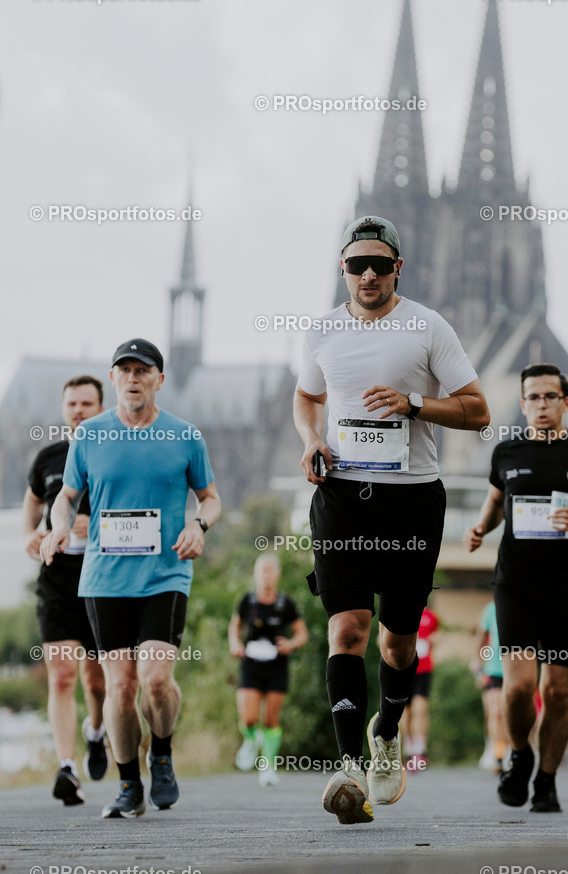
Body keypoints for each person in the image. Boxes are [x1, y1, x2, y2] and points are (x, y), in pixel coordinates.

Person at [294, 215, 489, 824]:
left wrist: (414, 403)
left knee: (398, 641)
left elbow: (478, 411)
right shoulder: (322, 330)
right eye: (357, 266)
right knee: (347, 628)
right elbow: (307, 397)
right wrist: (311, 438)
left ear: (398, 267)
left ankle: (386, 729)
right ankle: (350, 768)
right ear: (343, 269)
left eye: (380, 265)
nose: (369, 275)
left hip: (411, 499)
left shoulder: (428, 326)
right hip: (341, 496)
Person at [41, 338, 220, 819]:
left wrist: (198, 526)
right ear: (113, 378)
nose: (133, 378)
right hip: (105, 578)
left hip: (165, 574)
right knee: (120, 686)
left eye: (143, 370)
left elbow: (210, 497)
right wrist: (59, 528)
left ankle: (160, 752)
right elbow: (66, 497)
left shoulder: (184, 435)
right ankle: (128, 786)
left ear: (159, 379)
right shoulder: (90, 435)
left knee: (156, 681)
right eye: (125, 370)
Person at [464, 362, 568, 813]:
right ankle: (520, 754)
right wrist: (481, 527)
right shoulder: (506, 452)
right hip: (514, 583)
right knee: (517, 687)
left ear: (565, 402)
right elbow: (497, 500)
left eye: (550, 396)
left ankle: (547, 781)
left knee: (557, 690)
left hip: (564, 588)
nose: (542, 404)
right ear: (523, 404)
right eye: (533, 397)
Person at [23, 375, 108, 806]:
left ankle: (96, 730)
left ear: (101, 408)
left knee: (97, 679)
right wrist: (31, 536)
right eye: (72, 403)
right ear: (63, 409)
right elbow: (33, 503)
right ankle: (67, 768)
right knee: (61, 674)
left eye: (86, 403)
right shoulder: (49, 457)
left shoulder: (115, 453)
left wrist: (97, 526)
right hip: (57, 576)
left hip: (103, 576)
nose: (78, 410)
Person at [228, 554, 309, 786]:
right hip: (251, 664)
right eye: (262, 570)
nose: (266, 575)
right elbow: (234, 626)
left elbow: (302, 633)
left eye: (270, 570)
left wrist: (291, 644)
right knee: (249, 718)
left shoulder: (285, 603)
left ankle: (268, 767)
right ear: (255, 574)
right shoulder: (247, 601)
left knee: (271, 720)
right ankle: (253, 739)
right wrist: (235, 644)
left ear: (277, 574)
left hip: (277, 666)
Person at [471, 600, 508, 774]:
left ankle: (511, 749)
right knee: (495, 712)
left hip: (517, 669)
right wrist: (477, 664)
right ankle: (499, 754)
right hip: (494, 669)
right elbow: (480, 637)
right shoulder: (491, 609)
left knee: (510, 713)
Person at [400, 604, 439, 772]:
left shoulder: (431, 616)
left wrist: (434, 640)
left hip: (424, 669)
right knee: (405, 711)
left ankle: (420, 750)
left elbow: (437, 636)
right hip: (402, 669)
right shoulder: (400, 612)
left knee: (420, 708)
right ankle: (408, 750)